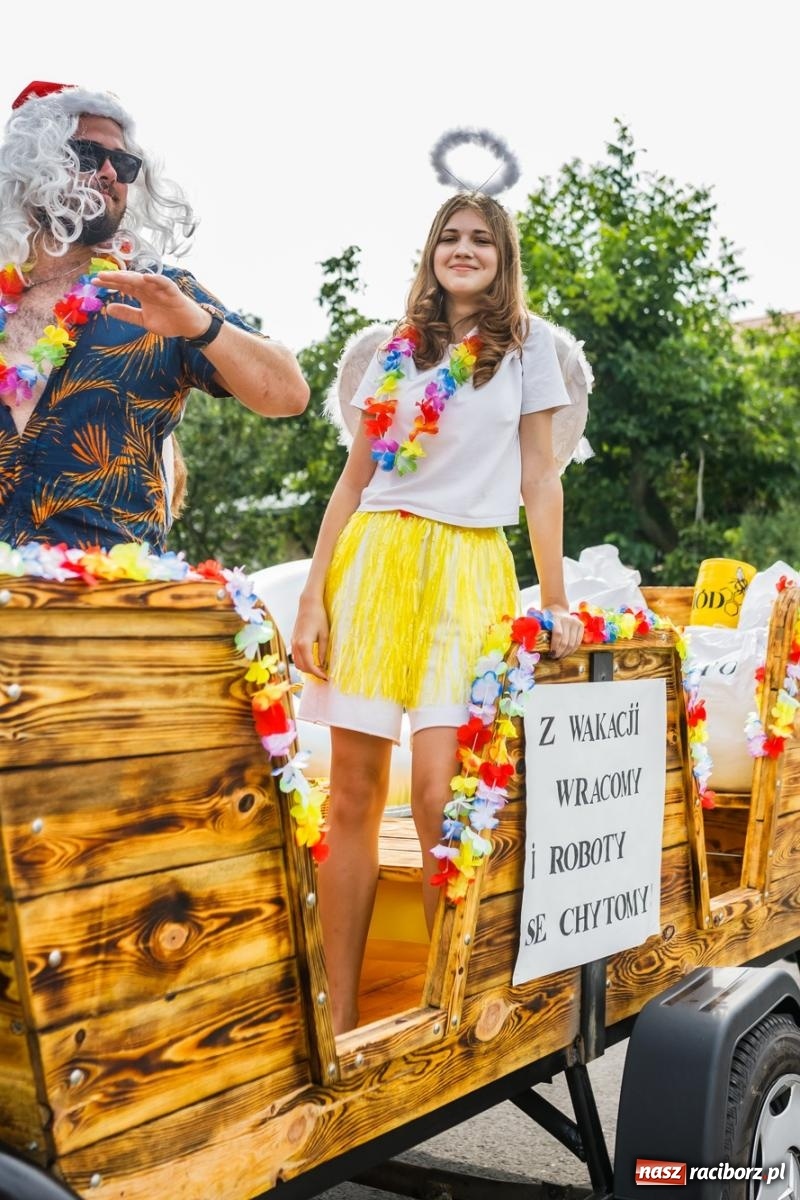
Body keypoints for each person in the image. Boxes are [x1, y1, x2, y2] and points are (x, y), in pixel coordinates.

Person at [291, 190, 585, 1033]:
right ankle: (341, 1020)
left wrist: (555, 599)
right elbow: (353, 482)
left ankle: (443, 1010)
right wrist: (313, 596)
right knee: (350, 794)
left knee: (438, 796)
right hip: (375, 563)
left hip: (466, 570)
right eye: (449, 237)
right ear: (430, 253)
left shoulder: (528, 351)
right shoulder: (393, 350)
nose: (462, 250)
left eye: (480, 240)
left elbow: (539, 480)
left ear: (502, 258)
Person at [0, 80, 308, 550]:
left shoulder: (160, 294)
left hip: (114, 604)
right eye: (86, 155)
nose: (108, 172)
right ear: (31, 166)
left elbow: (287, 393)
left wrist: (202, 328)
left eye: (122, 163)